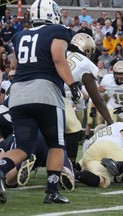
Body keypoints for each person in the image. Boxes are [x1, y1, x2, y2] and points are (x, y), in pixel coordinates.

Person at [0, 0, 84, 204]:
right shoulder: (58, 30)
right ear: (53, 14)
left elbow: (16, 65)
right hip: (45, 92)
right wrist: (72, 85)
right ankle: (51, 191)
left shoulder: (20, 35)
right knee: (56, 144)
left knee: (23, 149)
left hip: (18, 94)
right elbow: (58, 58)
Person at [66, 33, 113, 165]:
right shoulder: (86, 64)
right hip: (61, 98)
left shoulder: (61, 52)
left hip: (45, 91)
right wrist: (110, 122)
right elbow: (97, 99)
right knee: (74, 128)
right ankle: (70, 165)